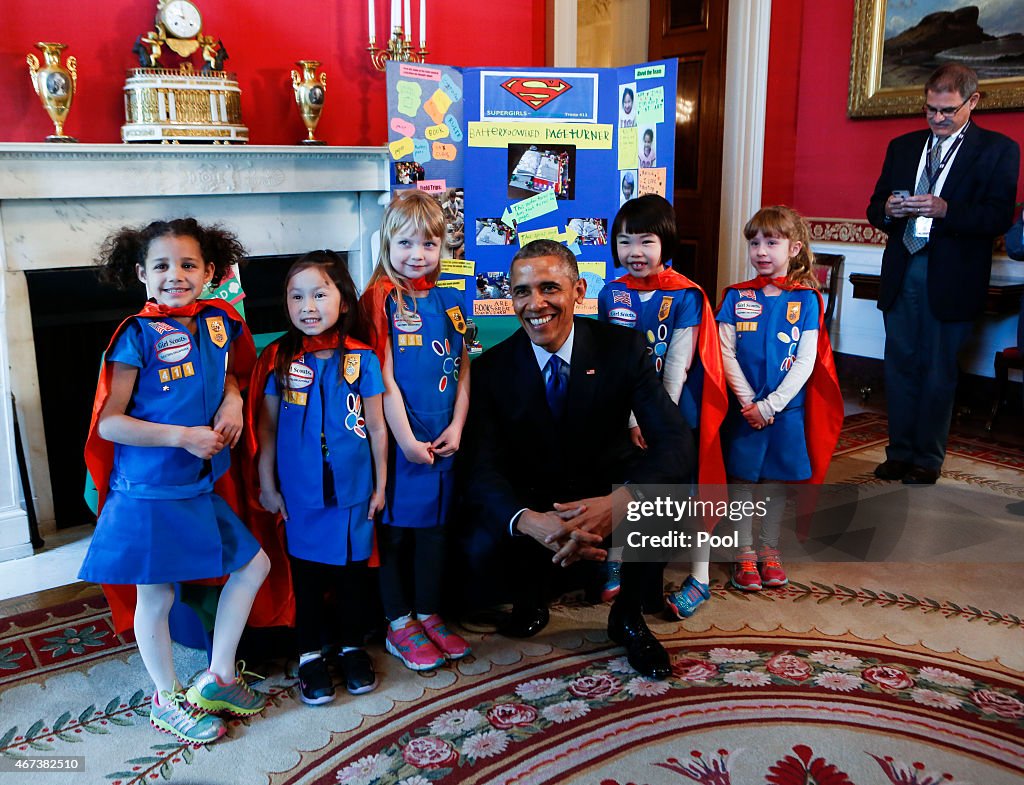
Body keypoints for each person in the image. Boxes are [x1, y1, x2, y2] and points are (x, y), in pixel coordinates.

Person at [461, 239, 693, 679]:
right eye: (522, 291)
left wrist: (620, 502)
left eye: (550, 288)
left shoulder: (623, 348)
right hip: (536, 500)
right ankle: (531, 595)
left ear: (578, 291)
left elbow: (676, 442)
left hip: (606, 491)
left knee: (669, 502)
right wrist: (528, 520)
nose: (536, 304)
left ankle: (628, 616)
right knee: (478, 546)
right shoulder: (491, 369)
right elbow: (481, 466)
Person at [79, 218, 270, 745]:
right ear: (141, 273)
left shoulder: (218, 321)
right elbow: (111, 421)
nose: (175, 275)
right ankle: (166, 698)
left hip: (197, 486)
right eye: (161, 265)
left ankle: (218, 677)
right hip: (149, 491)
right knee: (156, 597)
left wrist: (232, 399)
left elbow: (229, 373)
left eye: (188, 265)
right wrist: (181, 437)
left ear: (210, 271)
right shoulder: (135, 335)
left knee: (254, 565)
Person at [867, 63, 1019, 485]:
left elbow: (998, 216)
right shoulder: (902, 146)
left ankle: (926, 459)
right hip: (902, 270)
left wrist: (946, 210)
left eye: (947, 110)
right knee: (899, 366)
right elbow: (874, 205)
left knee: (937, 369)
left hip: (951, 274)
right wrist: (887, 211)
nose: (936, 118)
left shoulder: (998, 150)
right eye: (930, 109)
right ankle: (897, 453)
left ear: (973, 101)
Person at [249, 251, 387, 705]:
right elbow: (265, 428)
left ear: (343, 301)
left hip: (354, 491)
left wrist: (381, 484)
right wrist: (268, 485)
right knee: (307, 580)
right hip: (302, 494)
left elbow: (377, 426)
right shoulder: (278, 357)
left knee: (352, 579)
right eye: (296, 296)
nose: (308, 305)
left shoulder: (362, 358)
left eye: (319, 294)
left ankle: (350, 648)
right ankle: (309, 655)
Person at [598, 195, 729, 619]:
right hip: (623, 415)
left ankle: (701, 577)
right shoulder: (609, 293)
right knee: (624, 487)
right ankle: (617, 558)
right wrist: (631, 419)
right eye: (624, 241)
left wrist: (653, 420)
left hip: (671, 414)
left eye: (645, 241)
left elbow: (677, 364)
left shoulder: (686, 294)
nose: (634, 252)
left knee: (687, 494)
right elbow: (607, 360)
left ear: (665, 243)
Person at [359, 190, 472, 672]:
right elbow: (381, 376)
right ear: (387, 244)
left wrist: (459, 425)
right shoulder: (381, 298)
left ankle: (427, 611)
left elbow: (465, 367)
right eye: (405, 243)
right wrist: (405, 438)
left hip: (444, 439)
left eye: (429, 244)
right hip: (399, 440)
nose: (417, 255)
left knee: (436, 532)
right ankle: (397, 620)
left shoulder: (451, 298)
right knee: (397, 535)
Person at [716, 206, 842, 591]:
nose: (761, 251)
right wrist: (748, 403)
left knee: (774, 483)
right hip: (744, 410)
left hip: (785, 411)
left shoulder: (805, 299)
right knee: (742, 482)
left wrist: (771, 406)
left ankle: (769, 550)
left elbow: (807, 360)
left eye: (772, 242)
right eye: (754, 243)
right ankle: (743, 552)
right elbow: (724, 353)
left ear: (794, 248)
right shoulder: (736, 297)